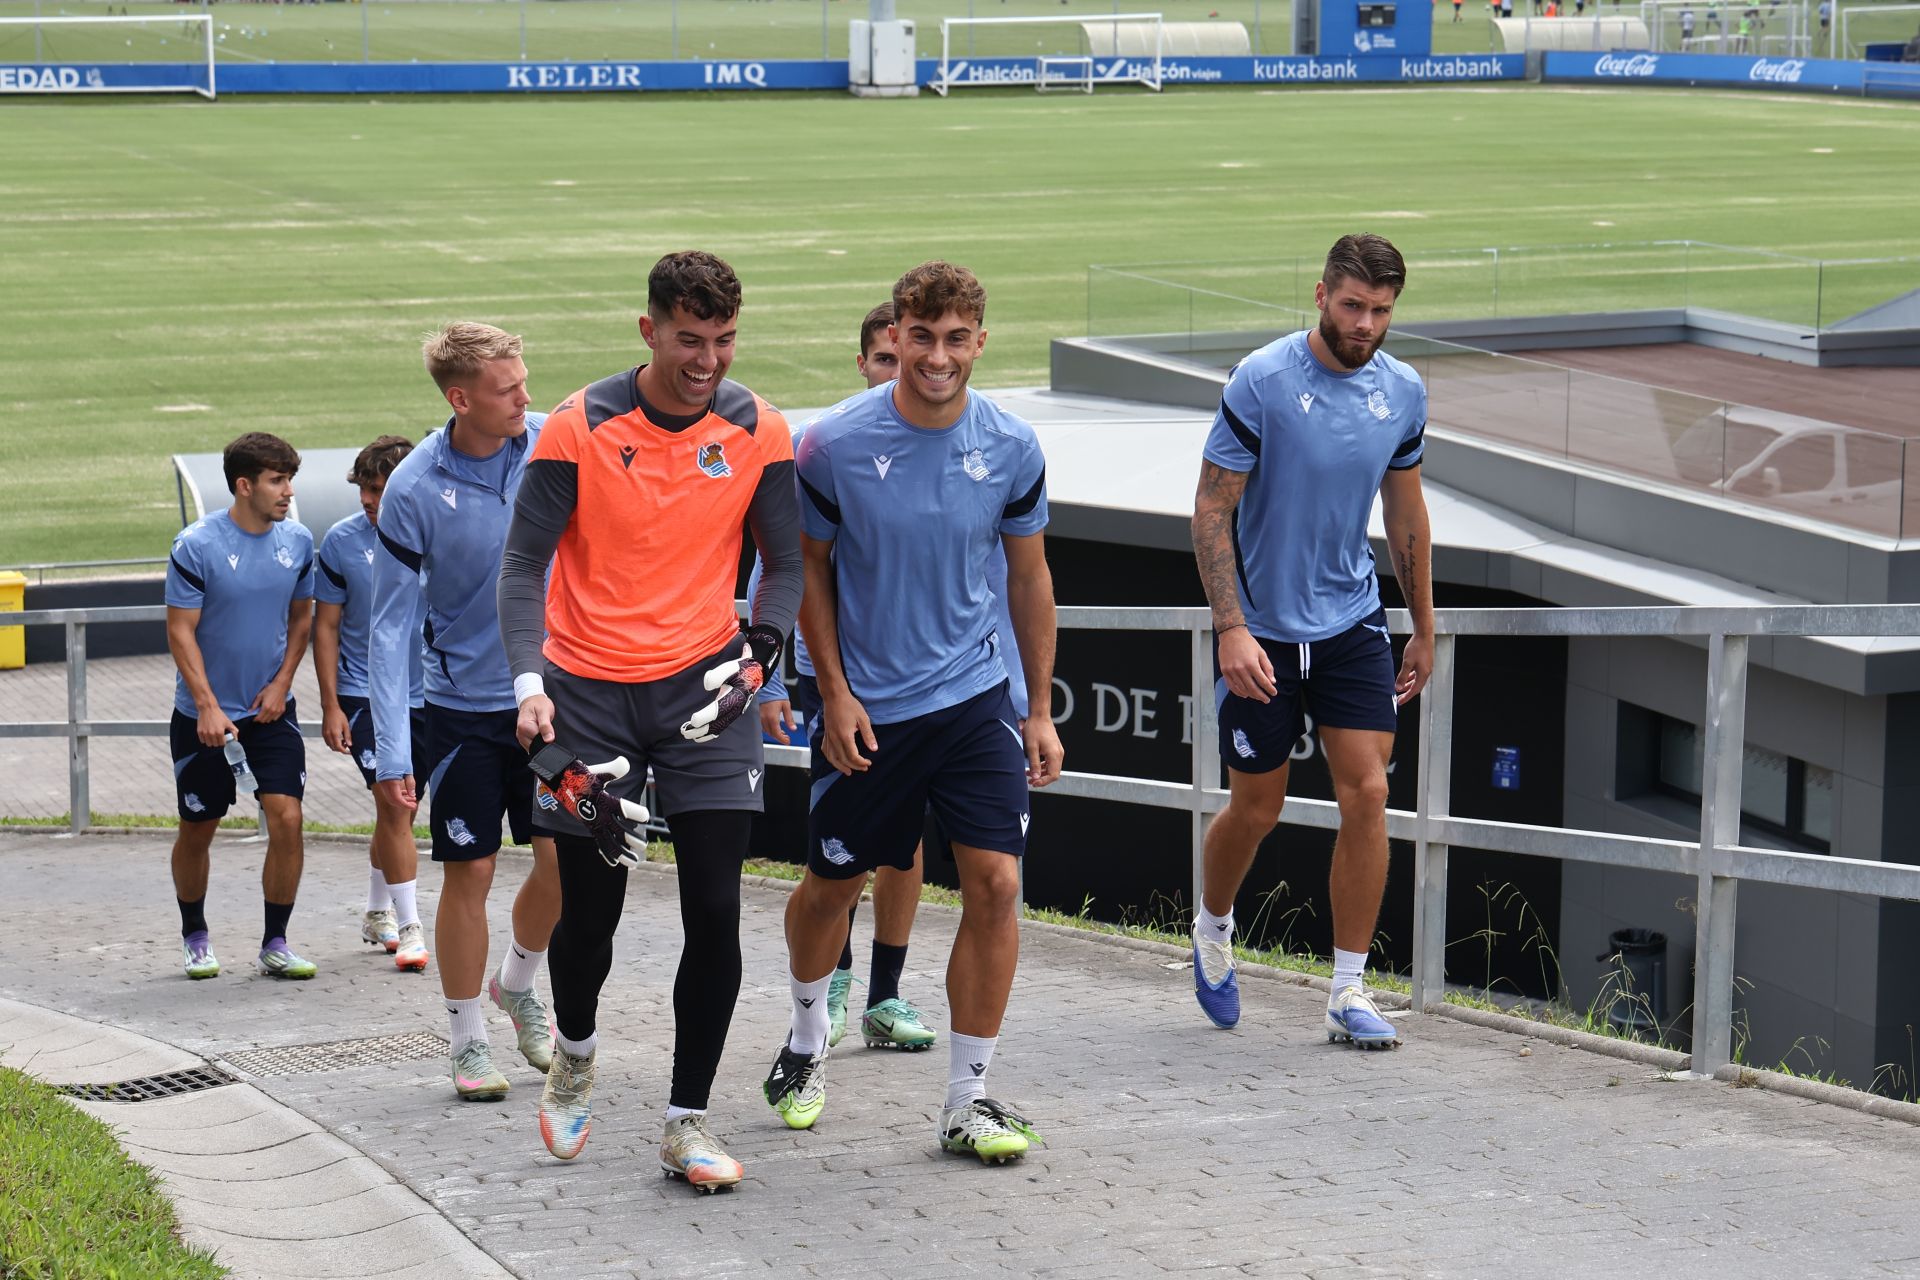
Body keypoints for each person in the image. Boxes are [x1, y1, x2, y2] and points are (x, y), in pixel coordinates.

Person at [499, 250, 802, 1191]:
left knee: (715, 909)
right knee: (592, 918)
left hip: (708, 699)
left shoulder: (760, 429)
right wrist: (527, 683)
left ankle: (685, 1121)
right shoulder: (577, 427)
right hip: (587, 698)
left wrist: (764, 647)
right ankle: (577, 1054)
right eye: (688, 339)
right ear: (649, 331)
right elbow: (520, 571)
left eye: (722, 340)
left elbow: (784, 566)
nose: (706, 359)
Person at [764, 260, 1062, 1166]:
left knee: (998, 886)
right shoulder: (832, 444)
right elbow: (806, 569)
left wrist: (1037, 708)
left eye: (956, 338)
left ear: (980, 340)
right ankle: (808, 1039)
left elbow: (1028, 575)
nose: (938, 357)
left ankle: (967, 1101)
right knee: (829, 889)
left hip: (975, 700)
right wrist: (834, 691)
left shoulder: (1012, 445)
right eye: (921, 338)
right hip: (870, 712)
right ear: (895, 334)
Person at [1187, 233, 1434, 1050]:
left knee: (1367, 793)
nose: (1366, 324)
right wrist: (1231, 628)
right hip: (1260, 631)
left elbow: (1404, 514)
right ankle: (1214, 927)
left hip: (1352, 623)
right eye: (1354, 305)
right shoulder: (1262, 380)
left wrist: (1423, 626)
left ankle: (1347, 990)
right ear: (1321, 294)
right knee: (1256, 807)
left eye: (1382, 311)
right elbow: (1211, 510)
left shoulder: (1402, 392)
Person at [369, 323, 561, 1102]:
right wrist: (391, 755)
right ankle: (466, 1042)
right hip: (464, 714)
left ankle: (515, 986)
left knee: (566, 865)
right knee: (471, 870)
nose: (525, 397)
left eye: (524, 380)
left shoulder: (552, 443)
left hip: (552, 700)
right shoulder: (414, 488)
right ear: (460, 398)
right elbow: (388, 628)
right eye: (507, 388)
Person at [164, 432, 315, 981]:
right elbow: (181, 633)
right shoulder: (196, 545)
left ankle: (275, 941)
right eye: (277, 480)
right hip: (203, 717)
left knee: (288, 818)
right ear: (244, 485)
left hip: (271, 712)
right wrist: (205, 705)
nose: (288, 492)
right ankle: (195, 934)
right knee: (198, 829)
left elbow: (303, 619)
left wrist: (281, 684)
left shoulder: (298, 542)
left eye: (289, 479)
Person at [315, 434, 431, 973]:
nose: (370, 503)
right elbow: (327, 627)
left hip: (431, 695)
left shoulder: (439, 533)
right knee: (395, 807)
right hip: (364, 695)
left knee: (398, 814)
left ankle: (375, 910)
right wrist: (331, 704)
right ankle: (410, 930)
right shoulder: (341, 542)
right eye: (364, 493)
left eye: (380, 491)